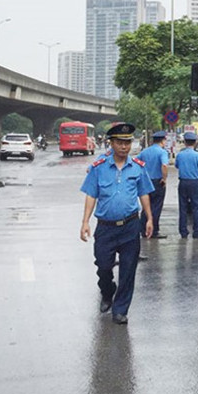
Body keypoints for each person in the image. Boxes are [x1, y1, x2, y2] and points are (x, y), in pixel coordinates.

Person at [79, 122, 154, 324]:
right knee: (103, 266)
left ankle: (120, 310)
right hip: (106, 227)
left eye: (127, 143)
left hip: (130, 226)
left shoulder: (138, 167)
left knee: (128, 270)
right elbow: (91, 195)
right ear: (111, 143)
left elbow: (144, 193)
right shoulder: (98, 168)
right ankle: (107, 290)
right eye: (119, 142)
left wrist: (149, 218)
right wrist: (85, 222)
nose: (123, 146)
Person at [174, 131, 198, 239]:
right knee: (197, 207)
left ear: (184, 142)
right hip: (194, 183)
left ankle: (183, 232)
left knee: (183, 208)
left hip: (183, 182)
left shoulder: (180, 155)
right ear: (195, 142)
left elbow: (177, 166)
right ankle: (197, 232)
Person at [137, 131, 170, 239]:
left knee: (146, 206)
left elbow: (135, 161)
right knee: (156, 206)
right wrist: (164, 178)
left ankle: (143, 230)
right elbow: (164, 165)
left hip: (146, 181)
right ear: (163, 141)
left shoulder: (145, 151)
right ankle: (154, 231)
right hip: (157, 182)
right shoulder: (162, 152)